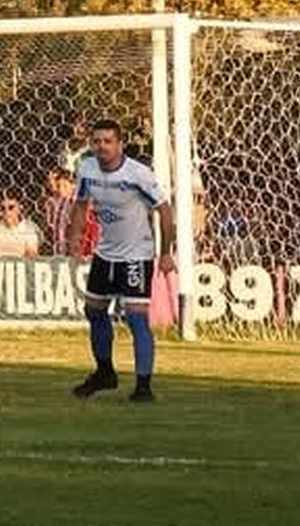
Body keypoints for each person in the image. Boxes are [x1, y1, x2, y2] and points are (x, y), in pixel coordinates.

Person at [65, 119, 176, 403]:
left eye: (108, 141)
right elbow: (80, 205)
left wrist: (165, 253)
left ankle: (143, 386)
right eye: (97, 141)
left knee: (136, 318)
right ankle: (105, 373)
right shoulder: (87, 169)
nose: (102, 146)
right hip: (106, 252)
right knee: (93, 310)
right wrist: (75, 242)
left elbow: (164, 210)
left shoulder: (138, 174)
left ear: (120, 144)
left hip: (136, 254)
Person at [0, 193, 44, 258]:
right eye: (2, 208)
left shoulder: (28, 229)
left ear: (19, 209)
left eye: (11, 207)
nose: (6, 212)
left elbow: (32, 253)